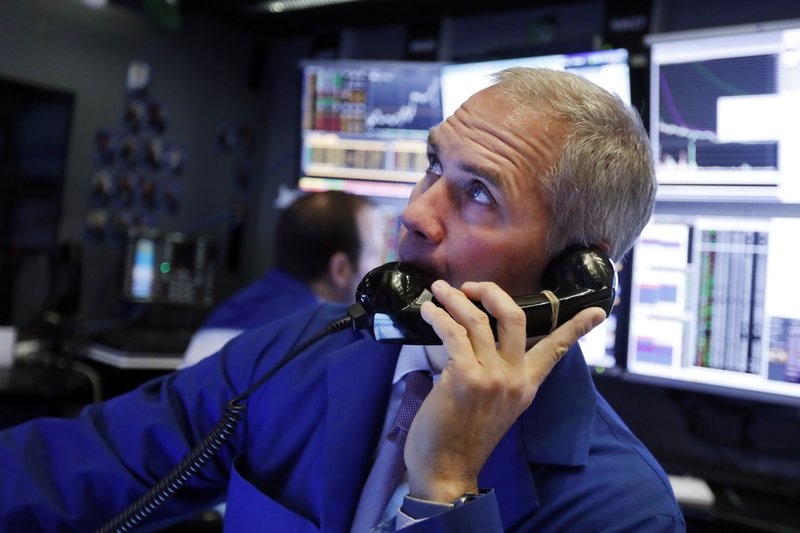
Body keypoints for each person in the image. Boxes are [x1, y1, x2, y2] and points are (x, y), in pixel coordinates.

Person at [0, 68, 685, 532]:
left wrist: (444, 485)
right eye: (433, 168)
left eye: (479, 193)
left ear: (576, 273)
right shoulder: (306, 347)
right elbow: (85, 465)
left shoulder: (621, 507)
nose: (417, 213)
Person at [180, 190, 385, 368]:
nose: (382, 265)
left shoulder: (229, 310)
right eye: (375, 254)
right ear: (340, 270)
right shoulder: (317, 338)